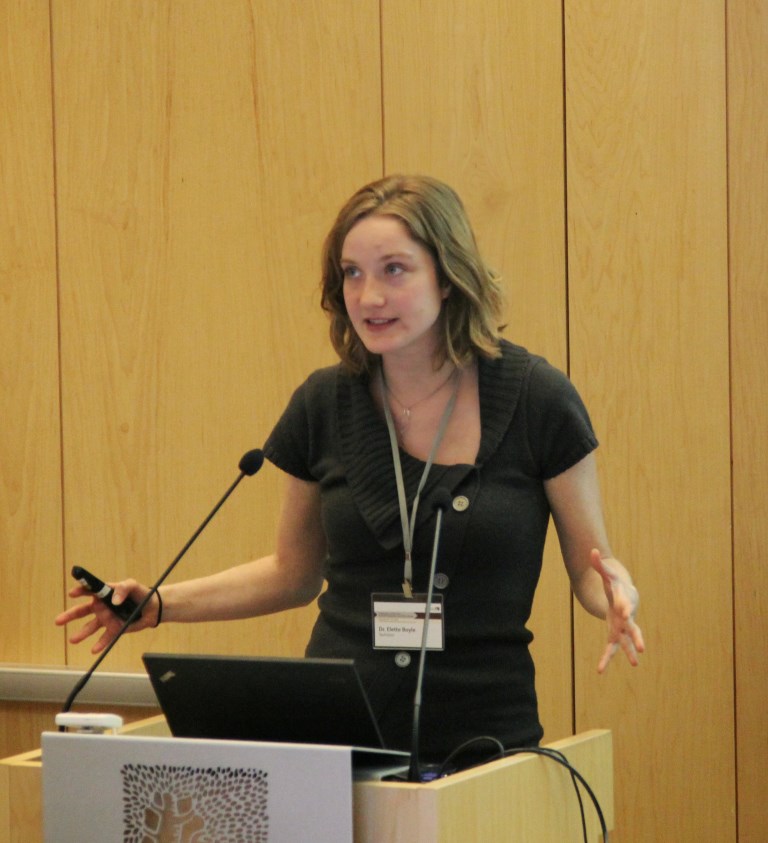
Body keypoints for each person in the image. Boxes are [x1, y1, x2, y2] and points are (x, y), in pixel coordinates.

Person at [56, 174, 644, 766]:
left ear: (447, 275)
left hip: (482, 738)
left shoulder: (538, 399)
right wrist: (159, 603)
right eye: (352, 273)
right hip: (336, 733)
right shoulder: (323, 403)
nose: (368, 297)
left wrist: (617, 593)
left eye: (394, 270)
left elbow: (591, 566)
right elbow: (293, 573)